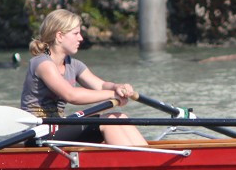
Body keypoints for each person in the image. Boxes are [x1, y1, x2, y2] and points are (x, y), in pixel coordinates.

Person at [20, 9, 147, 146]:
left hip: (58, 128)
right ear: (60, 36)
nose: (80, 38)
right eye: (76, 33)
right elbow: (71, 95)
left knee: (120, 117)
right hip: (38, 135)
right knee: (109, 122)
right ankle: (139, 164)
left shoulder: (74, 65)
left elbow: (101, 85)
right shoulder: (42, 63)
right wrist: (113, 94)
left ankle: (151, 161)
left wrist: (118, 87)